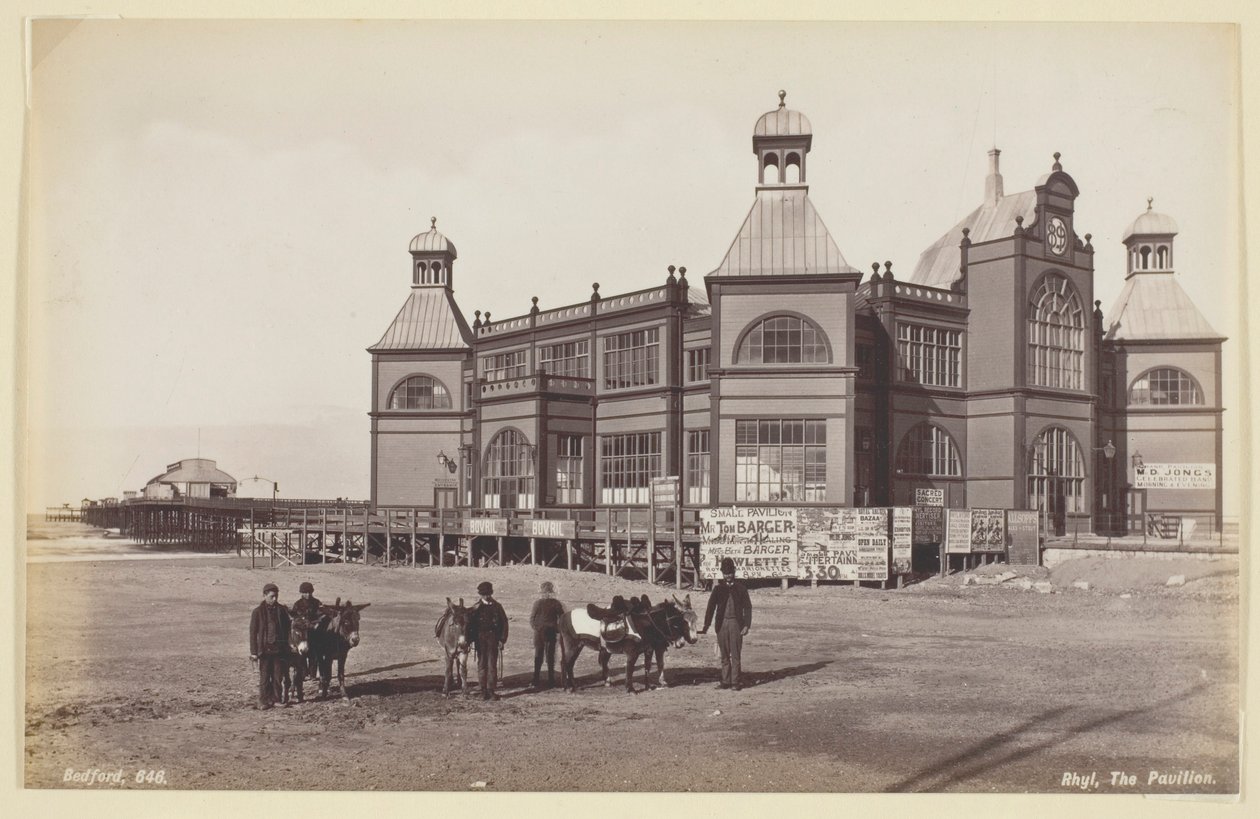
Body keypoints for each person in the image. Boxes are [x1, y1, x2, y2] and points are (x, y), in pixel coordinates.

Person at [698, 557, 752, 691]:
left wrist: (746, 625)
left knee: (735, 654)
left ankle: (735, 682)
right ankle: (725, 681)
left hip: (736, 624)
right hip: (721, 624)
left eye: (730, 573)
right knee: (724, 655)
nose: (728, 575)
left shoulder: (741, 588)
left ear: (734, 572)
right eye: (725, 573)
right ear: (722, 573)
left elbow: (748, 608)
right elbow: (710, 608)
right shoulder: (718, 589)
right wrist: (706, 625)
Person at [249, 582, 292, 709]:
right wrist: (253, 652)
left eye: (276, 596)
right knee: (264, 677)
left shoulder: (281, 610)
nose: (275, 599)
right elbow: (253, 633)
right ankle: (263, 701)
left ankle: (276, 699)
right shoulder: (257, 612)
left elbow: (288, 629)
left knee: (278, 676)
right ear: (264, 595)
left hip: (279, 649)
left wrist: (288, 645)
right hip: (264, 650)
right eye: (272, 596)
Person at [466, 580, 509, 700]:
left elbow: (504, 623)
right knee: (482, 665)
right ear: (480, 594)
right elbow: (470, 626)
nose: (487, 596)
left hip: (493, 639)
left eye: (489, 594)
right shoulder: (476, 608)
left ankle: (491, 690)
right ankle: (483, 690)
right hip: (480, 640)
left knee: (492, 665)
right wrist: (471, 640)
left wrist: (502, 640)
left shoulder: (497, 606)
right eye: (485, 594)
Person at [529, 581, 565, 689]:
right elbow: (532, 619)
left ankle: (545, 679)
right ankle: (542, 679)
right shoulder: (552, 603)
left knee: (545, 656)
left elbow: (532, 619)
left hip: (545, 633)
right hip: (544, 633)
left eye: (548, 592)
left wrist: (538, 628)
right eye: (546, 592)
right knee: (543, 656)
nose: (547, 594)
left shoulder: (543, 603)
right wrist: (556, 629)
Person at [291, 581, 322, 680]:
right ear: (301, 593)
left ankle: (313, 675)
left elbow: (321, 615)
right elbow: (294, 618)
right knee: (302, 654)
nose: (308, 594)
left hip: (314, 633)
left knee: (314, 654)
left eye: (309, 592)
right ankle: (304, 673)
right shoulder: (297, 604)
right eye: (305, 592)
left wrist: (317, 623)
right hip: (302, 634)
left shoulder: (317, 602)